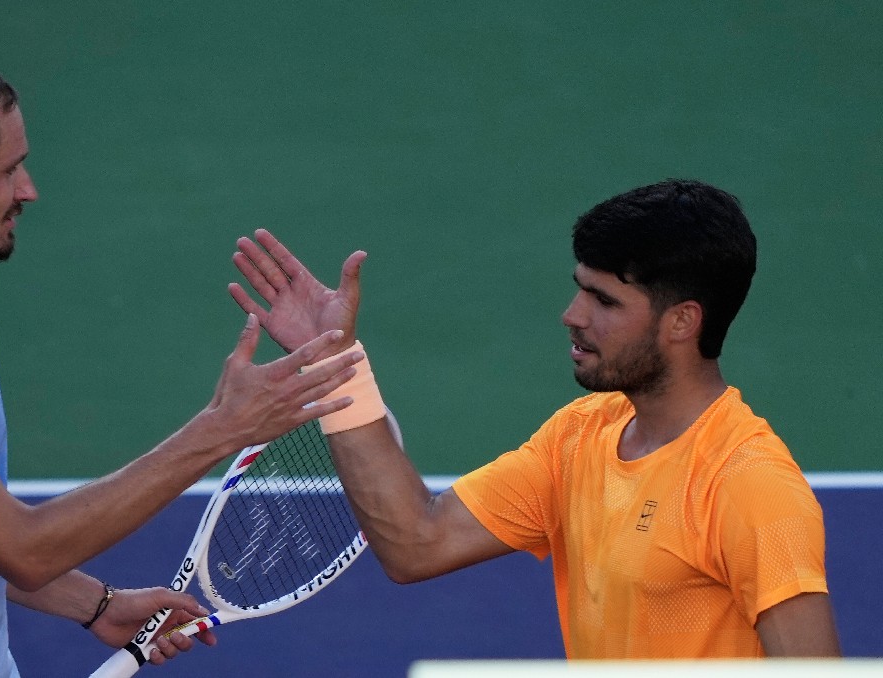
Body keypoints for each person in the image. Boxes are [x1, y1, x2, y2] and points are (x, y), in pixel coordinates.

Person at [0, 55, 363, 677]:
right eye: (8, 170)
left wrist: (96, 604)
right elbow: (19, 548)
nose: (29, 191)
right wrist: (224, 427)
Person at [228, 179, 841, 657]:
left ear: (682, 321)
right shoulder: (581, 436)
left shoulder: (748, 485)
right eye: (581, 288)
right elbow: (418, 542)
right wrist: (338, 366)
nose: (571, 315)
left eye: (603, 300)